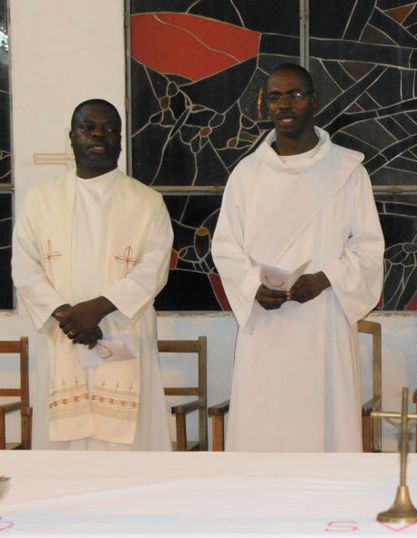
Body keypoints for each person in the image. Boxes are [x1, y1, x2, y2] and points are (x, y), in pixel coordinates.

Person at [211, 63, 384, 452]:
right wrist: (252, 284)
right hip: (265, 326)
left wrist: (326, 278)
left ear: (314, 101)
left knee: (324, 428)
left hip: (324, 320)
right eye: (275, 96)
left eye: (295, 95)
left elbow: (369, 247)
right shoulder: (247, 174)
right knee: (264, 431)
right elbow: (224, 247)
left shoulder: (348, 171)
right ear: (265, 104)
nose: (284, 104)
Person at [12, 99, 173, 450]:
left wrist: (96, 309)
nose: (99, 134)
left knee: (130, 451)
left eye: (109, 128)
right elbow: (23, 267)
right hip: (64, 337)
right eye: (89, 127)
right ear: (71, 136)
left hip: (123, 332)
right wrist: (66, 316)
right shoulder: (41, 200)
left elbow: (154, 270)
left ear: (120, 139)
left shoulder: (147, 202)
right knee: (64, 454)